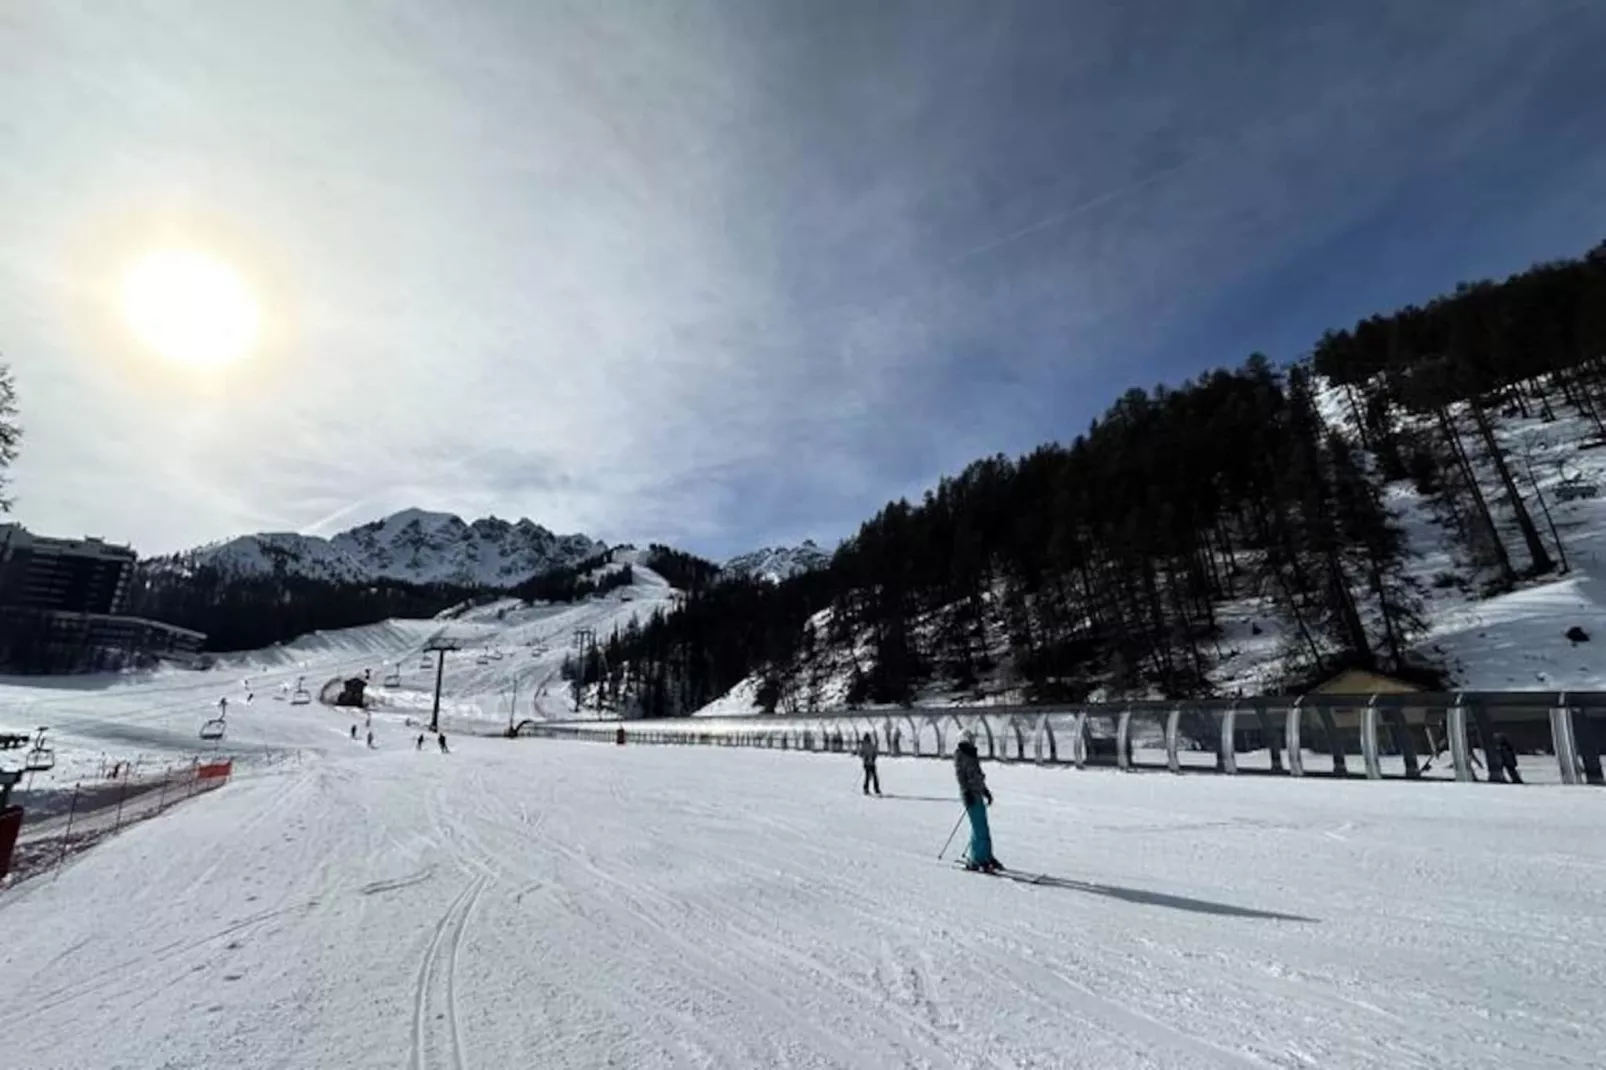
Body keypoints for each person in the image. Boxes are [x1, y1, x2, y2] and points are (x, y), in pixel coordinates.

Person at [954, 730, 1000, 872]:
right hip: (970, 795)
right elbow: (960, 775)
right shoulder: (961, 754)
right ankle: (976, 859)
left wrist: (985, 790)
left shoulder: (971, 753)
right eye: (971, 738)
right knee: (979, 828)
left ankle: (986, 855)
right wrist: (966, 791)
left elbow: (977, 775)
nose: (974, 740)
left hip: (977, 793)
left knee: (983, 827)